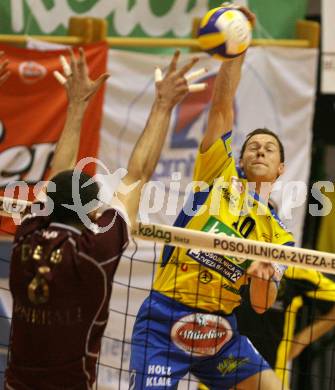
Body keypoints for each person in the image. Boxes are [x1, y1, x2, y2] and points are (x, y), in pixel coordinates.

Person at [4, 49, 204, 389]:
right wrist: (163, 105)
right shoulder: (95, 250)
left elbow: (57, 180)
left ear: (48, 205)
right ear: (93, 213)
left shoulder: (25, 237)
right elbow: (136, 175)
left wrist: (76, 105)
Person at [129, 5, 296, 390]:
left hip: (220, 332)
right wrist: (237, 53)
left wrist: (261, 275)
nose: (259, 150)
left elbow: (260, 304)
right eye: (253, 146)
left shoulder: (278, 235)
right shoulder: (217, 177)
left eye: (269, 149)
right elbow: (222, 106)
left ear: (281, 169)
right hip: (166, 318)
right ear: (239, 158)